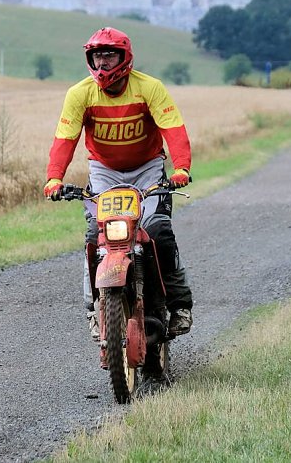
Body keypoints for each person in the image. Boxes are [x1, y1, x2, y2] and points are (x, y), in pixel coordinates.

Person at [44, 26, 193, 337]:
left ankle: (179, 305)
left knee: (158, 231)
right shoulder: (80, 93)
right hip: (104, 172)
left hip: (148, 169)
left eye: (109, 56)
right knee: (95, 237)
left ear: (125, 58)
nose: (102, 64)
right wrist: (54, 177)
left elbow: (173, 128)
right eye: (97, 57)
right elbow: (65, 138)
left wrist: (181, 168)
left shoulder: (149, 88)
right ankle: (95, 312)